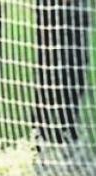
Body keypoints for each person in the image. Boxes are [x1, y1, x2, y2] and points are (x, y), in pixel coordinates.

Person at [36, 0, 91, 145]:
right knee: (49, 72)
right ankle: (41, 131)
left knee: (76, 73)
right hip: (52, 15)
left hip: (76, 15)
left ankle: (68, 130)